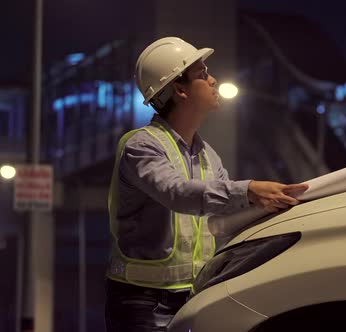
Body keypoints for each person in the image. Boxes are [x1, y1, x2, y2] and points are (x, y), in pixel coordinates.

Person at [104, 37, 308, 332]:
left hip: (191, 294)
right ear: (179, 89)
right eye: (202, 74)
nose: (213, 80)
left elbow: (225, 213)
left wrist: (277, 207)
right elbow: (177, 193)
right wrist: (250, 190)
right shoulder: (141, 146)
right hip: (140, 301)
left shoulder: (207, 155)